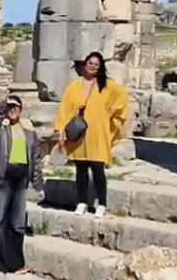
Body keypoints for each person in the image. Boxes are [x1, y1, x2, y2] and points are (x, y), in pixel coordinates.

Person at [53, 51, 127, 217]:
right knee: (81, 169)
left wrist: (110, 112)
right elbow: (65, 109)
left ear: (100, 68)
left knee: (98, 168)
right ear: (84, 64)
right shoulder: (74, 86)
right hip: (79, 134)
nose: (92, 66)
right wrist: (59, 130)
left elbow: (122, 96)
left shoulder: (106, 85)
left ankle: (101, 203)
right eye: (90, 63)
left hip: (97, 132)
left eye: (96, 64)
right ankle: (82, 202)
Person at [0, 94, 42, 273]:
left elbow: (35, 158)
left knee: (17, 224)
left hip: (21, 179)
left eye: (16, 107)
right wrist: (3, 103)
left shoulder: (28, 131)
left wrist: (38, 182)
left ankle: (16, 264)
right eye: (10, 107)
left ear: (21, 110)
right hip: (1, 177)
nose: (13, 109)